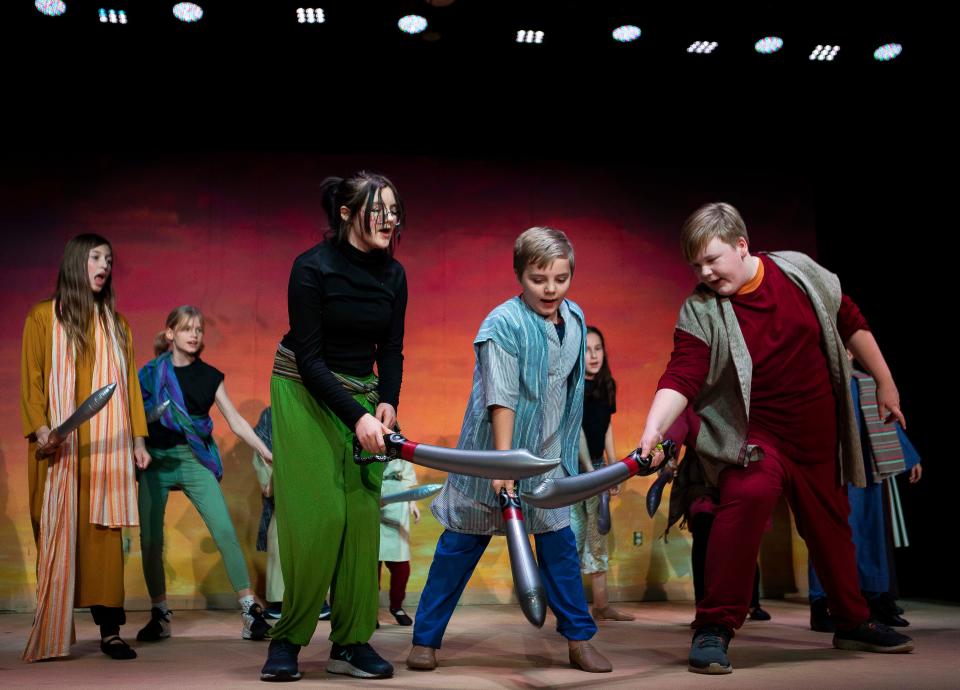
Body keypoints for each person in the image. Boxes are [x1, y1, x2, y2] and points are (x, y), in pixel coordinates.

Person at [635, 202, 914, 674]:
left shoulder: (799, 272)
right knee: (742, 506)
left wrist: (885, 382)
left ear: (742, 246)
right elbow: (681, 375)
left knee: (831, 527)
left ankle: (852, 622)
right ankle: (714, 627)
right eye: (695, 265)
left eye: (712, 260)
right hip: (753, 438)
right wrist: (653, 427)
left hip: (816, 435)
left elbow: (848, 319)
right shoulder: (701, 309)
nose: (703, 273)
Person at [406, 226, 612, 674]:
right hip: (490, 461)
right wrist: (502, 465)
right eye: (539, 279)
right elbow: (501, 397)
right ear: (520, 274)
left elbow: (570, 396)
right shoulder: (501, 323)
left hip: (547, 464)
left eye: (560, 278)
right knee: (457, 550)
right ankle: (425, 639)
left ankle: (579, 639)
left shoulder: (575, 320)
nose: (551, 288)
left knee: (559, 548)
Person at [261, 171, 407, 682]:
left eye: (394, 209)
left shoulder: (394, 275)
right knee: (319, 520)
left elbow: (390, 348)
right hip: (303, 389)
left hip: (363, 395)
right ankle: (287, 640)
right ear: (346, 215)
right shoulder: (311, 269)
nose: (390, 219)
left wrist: (387, 401)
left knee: (362, 520)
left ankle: (350, 642)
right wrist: (359, 415)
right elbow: (310, 358)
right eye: (378, 209)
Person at [21, 233, 151, 662]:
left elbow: (129, 385)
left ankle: (111, 630)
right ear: (77, 262)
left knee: (103, 539)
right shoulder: (43, 318)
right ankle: (54, 623)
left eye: (109, 260)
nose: (104, 266)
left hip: (105, 451)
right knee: (55, 531)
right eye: (96, 257)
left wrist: (137, 440)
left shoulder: (117, 324)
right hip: (57, 449)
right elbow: (33, 378)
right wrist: (41, 430)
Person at [136, 305, 274, 642]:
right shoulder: (149, 373)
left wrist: (264, 450)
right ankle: (160, 614)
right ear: (170, 334)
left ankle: (249, 612)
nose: (195, 334)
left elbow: (236, 421)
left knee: (224, 531)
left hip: (194, 458)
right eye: (186, 329)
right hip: (155, 459)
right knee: (151, 539)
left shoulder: (210, 376)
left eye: (199, 329)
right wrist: (138, 445)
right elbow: (134, 415)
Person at [569, 326, 634, 621]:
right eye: (587, 349)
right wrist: (590, 471)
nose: (593, 355)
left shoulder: (608, 385)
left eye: (598, 348)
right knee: (572, 535)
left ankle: (602, 604)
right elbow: (576, 431)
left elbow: (606, 426)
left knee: (597, 536)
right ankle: (568, 607)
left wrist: (612, 467)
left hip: (596, 467)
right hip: (572, 473)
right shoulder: (573, 387)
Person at [379, 457, 420, 626]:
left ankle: (396, 606)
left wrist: (413, 503)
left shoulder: (398, 442)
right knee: (371, 563)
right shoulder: (365, 441)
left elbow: (408, 478)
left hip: (398, 500)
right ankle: (368, 611)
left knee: (401, 565)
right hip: (373, 496)